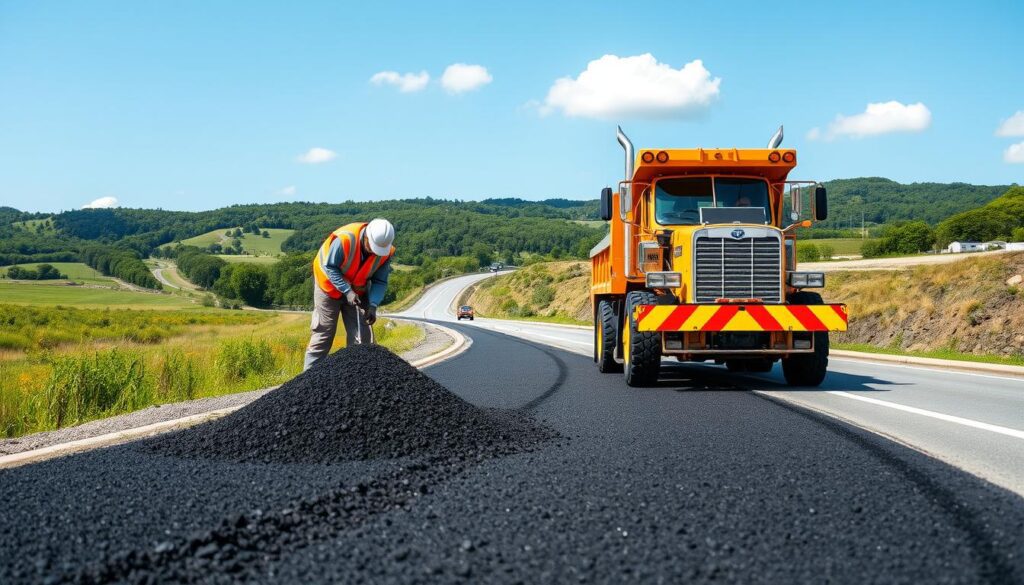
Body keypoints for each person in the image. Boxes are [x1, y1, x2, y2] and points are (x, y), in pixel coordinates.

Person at [304, 218, 395, 370]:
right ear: (366, 237)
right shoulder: (345, 239)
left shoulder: (385, 251)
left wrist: (372, 305)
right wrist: (347, 291)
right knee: (324, 334)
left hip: (358, 291)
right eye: (372, 247)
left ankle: (358, 378)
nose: (374, 252)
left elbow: (380, 282)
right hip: (328, 287)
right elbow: (330, 267)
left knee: (363, 337)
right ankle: (306, 381)